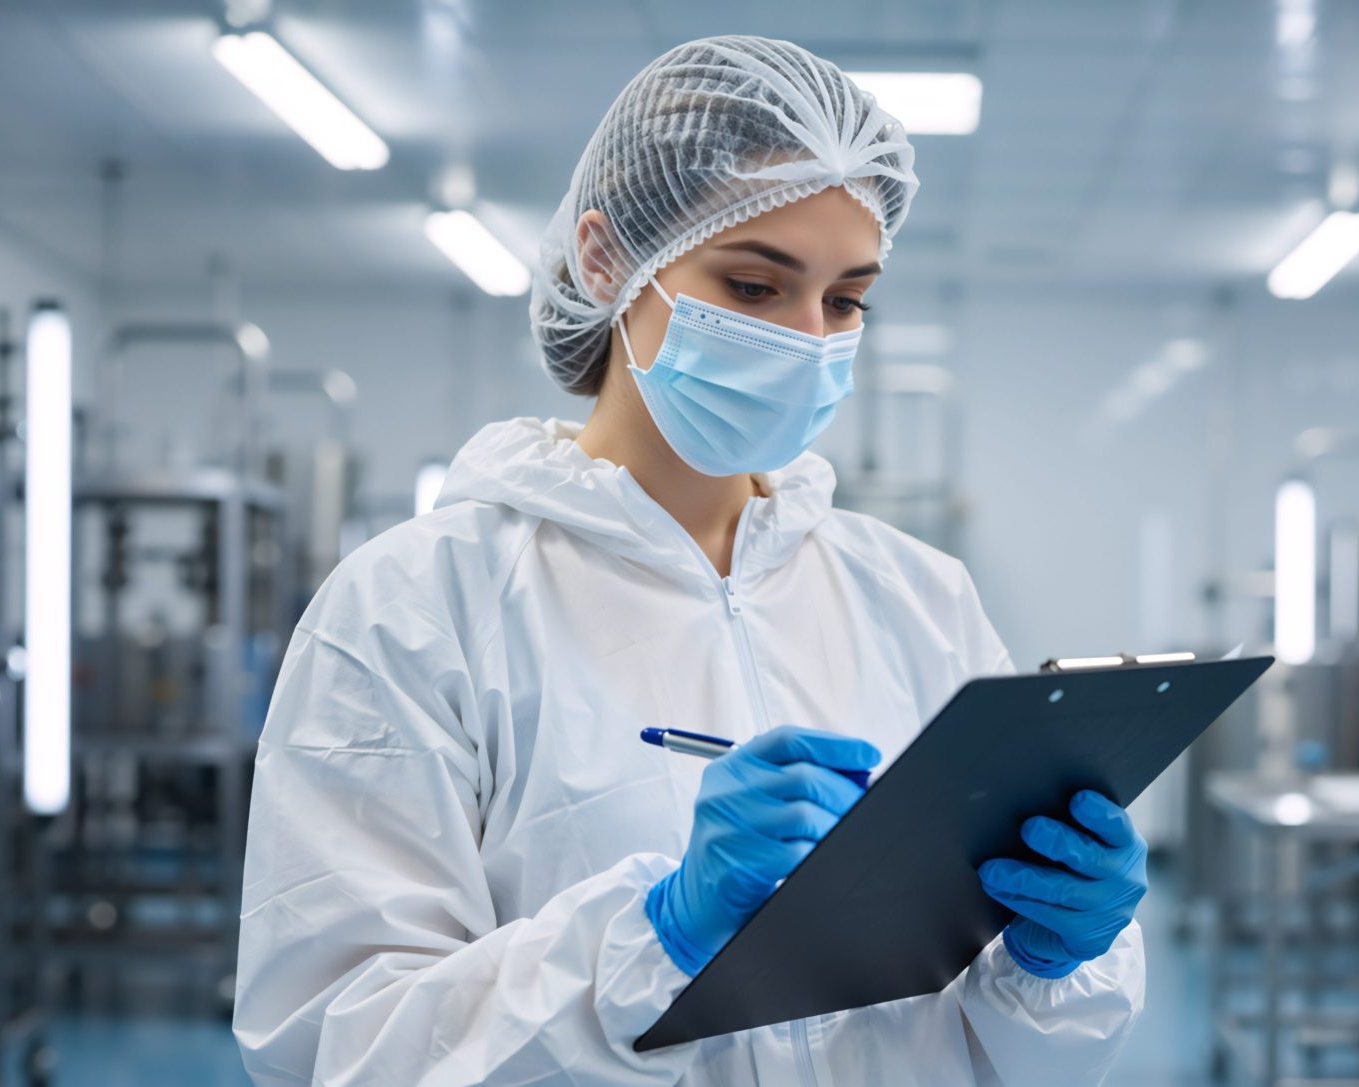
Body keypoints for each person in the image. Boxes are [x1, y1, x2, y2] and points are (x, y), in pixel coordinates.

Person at [233, 35, 1146, 1086]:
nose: (808, 338)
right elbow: (338, 1043)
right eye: (756, 287)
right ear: (606, 257)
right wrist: (655, 937)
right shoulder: (417, 606)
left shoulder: (916, 595)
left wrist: (1047, 962)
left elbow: (1004, 1046)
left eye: (843, 300)